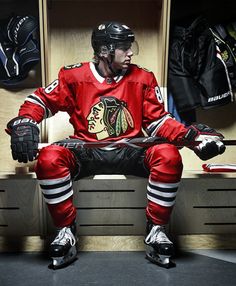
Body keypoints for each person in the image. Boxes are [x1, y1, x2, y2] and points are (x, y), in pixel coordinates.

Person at [6, 21, 226, 269]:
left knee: (168, 154)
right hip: (86, 151)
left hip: (130, 150)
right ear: (104, 51)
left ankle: (156, 229)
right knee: (48, 158)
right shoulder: (73, 76)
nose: (130, 52)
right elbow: (40, 100)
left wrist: (192, 138)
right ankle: (66, 230)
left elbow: (158, 123)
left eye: (130, 46)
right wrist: (25, 122)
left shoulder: (143, 77)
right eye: (123, 47)